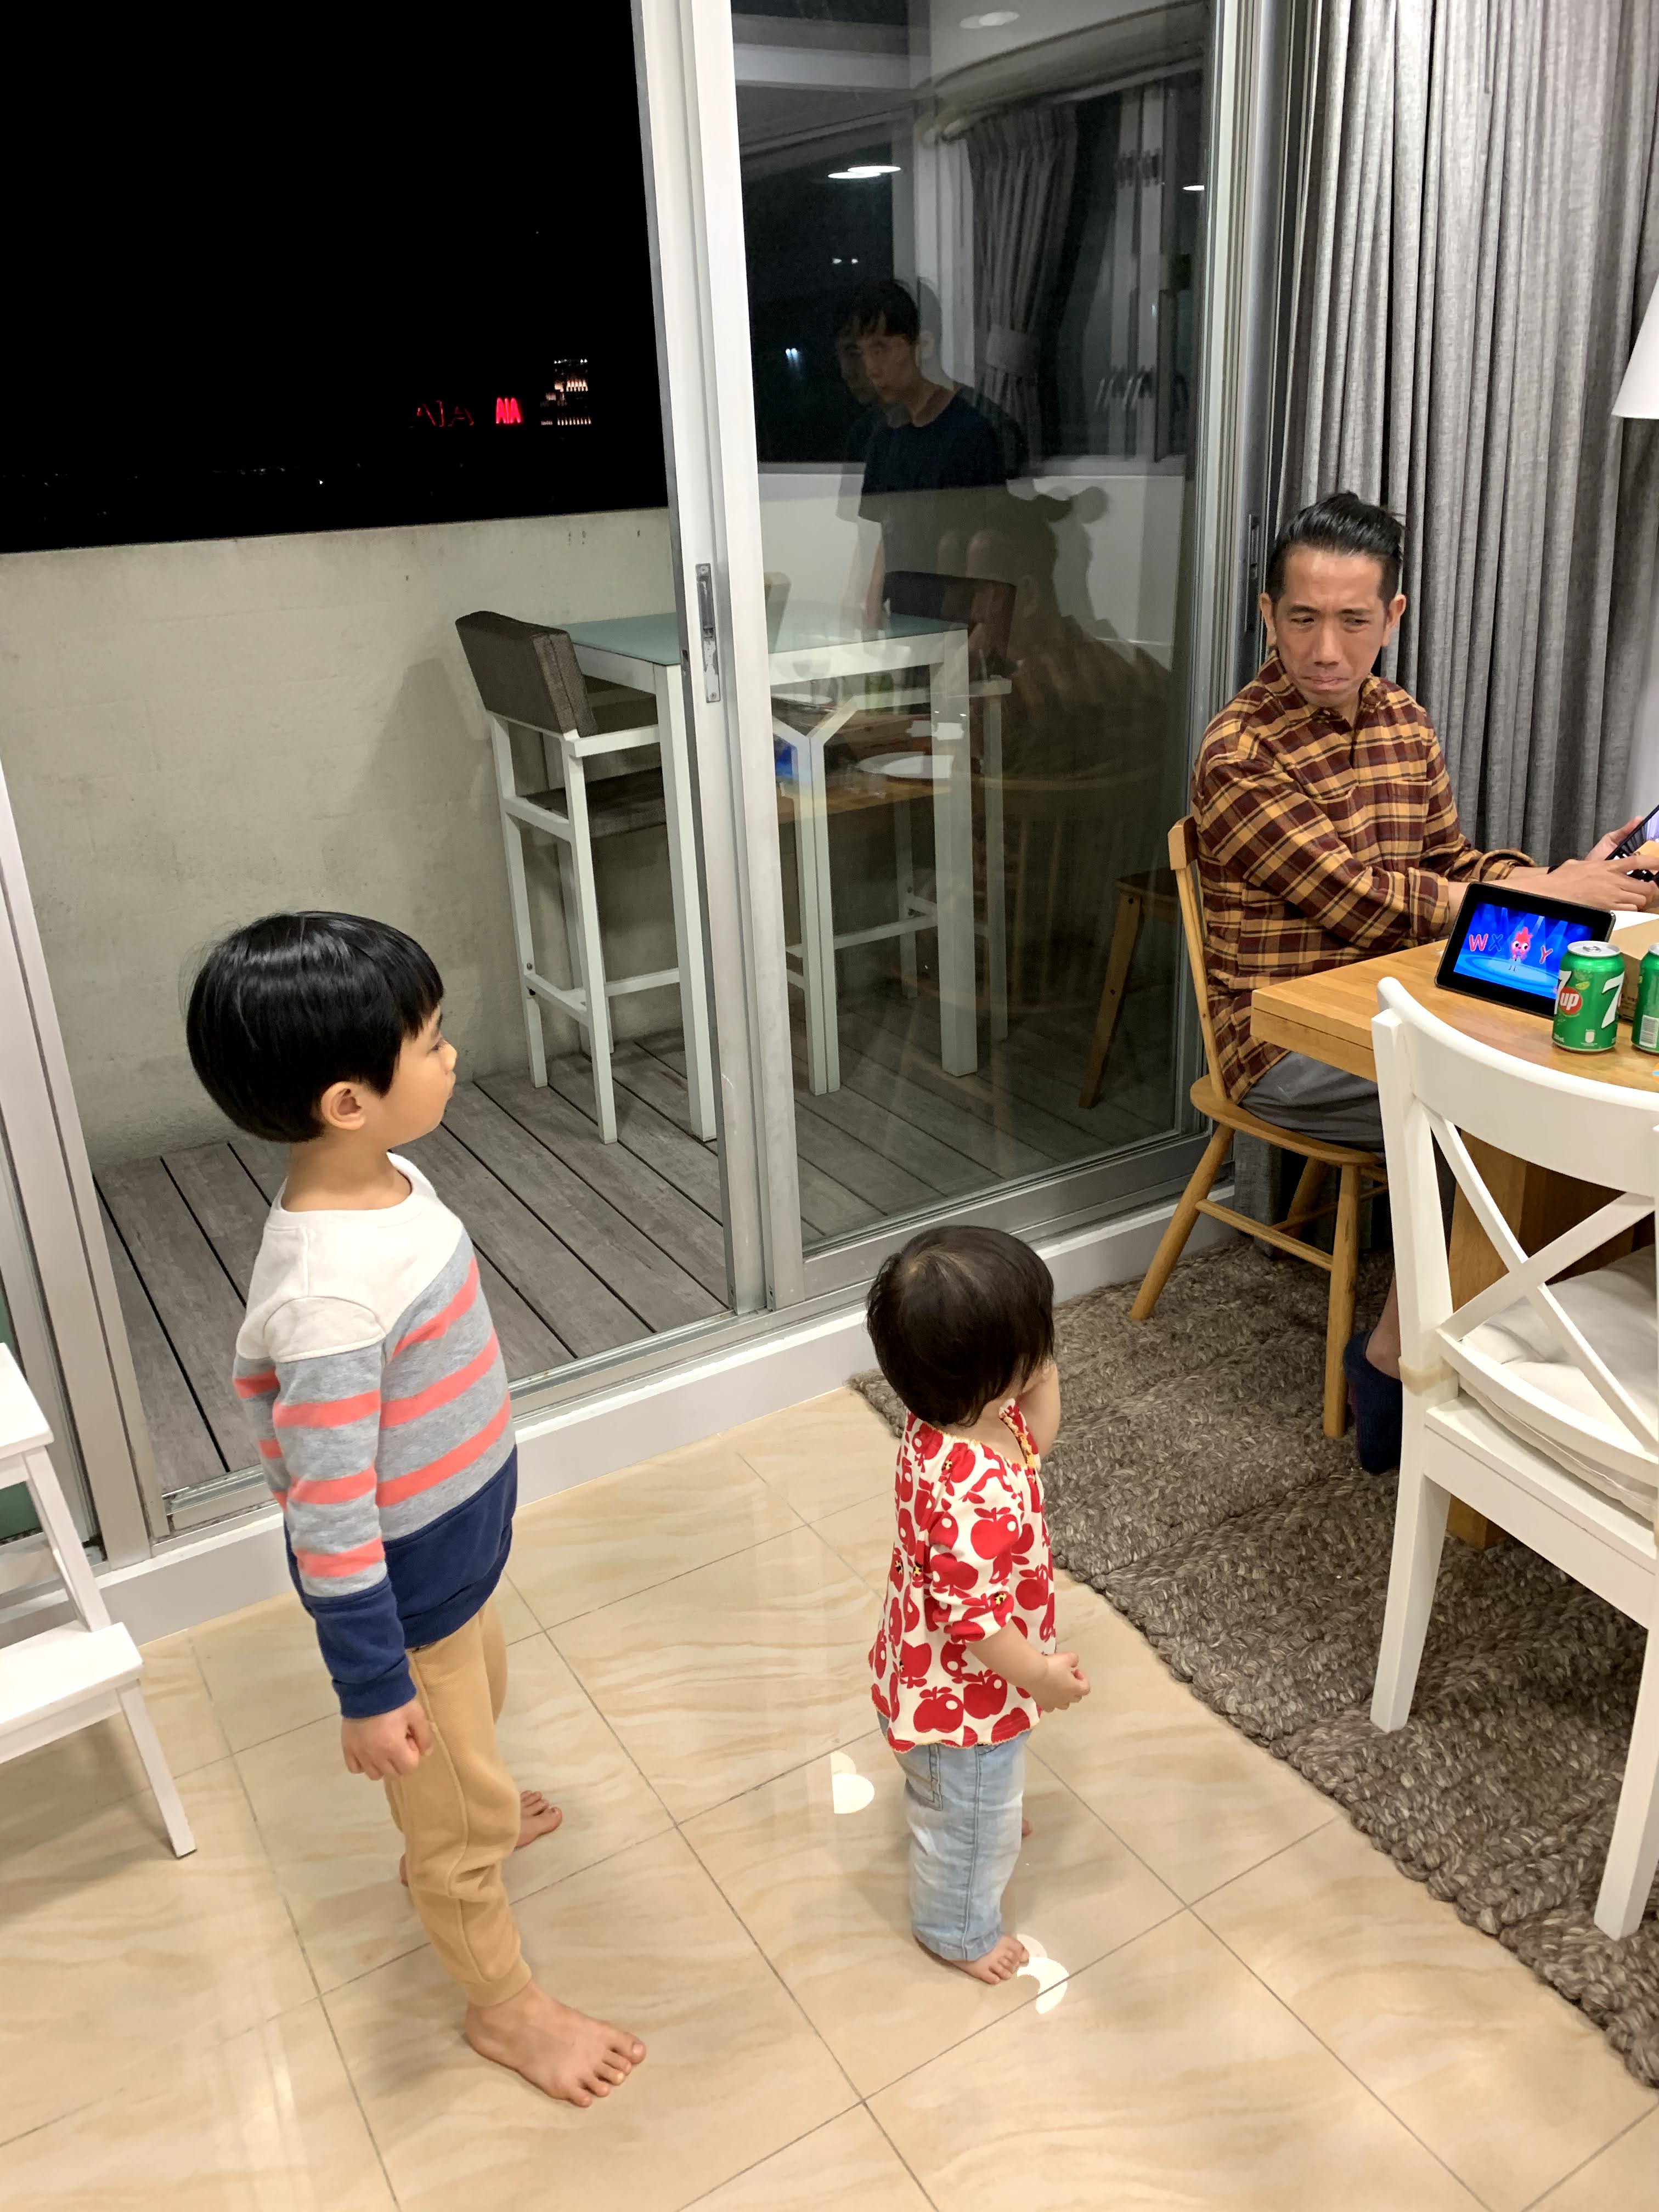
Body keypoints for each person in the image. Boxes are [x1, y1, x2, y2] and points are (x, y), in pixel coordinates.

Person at [185, 911, 646, 2108]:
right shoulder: (327, 1302)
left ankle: (461, 1805)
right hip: (403, 1594)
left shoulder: (391, 1184)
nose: (450, 1055)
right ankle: (502, 2003)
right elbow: (330, 1520)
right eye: (430, 1042)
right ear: (349, 1102)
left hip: (456, 1558)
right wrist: (370, 1687)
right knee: (454, 1820)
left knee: (478, 1710)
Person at [1192, 490, 1659, 1471]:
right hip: (1284, 1041)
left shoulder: (1402, 718)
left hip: (1416, 994)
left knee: (1581, 1053)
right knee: (1495, 1106)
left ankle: (1538, 1353)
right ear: (1267, 613)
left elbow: (1446, 865)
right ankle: (1402, 1356)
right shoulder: (1238, 752)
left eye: (1352, 620)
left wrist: (1560, 879)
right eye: (1301, 618)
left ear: (1392, 616)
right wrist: (1545, 893)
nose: (1325, 649)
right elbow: (1359, 901)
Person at [865, 1225, 1088, 1983]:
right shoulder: (971, 1492)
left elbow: (1035, 1446)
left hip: (924, 1669)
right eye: (1037, 1340)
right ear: (997, 1374)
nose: (1047, 1349)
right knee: (969, 1827)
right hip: (962, 1702)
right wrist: (1041, 1677)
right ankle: (956, 1930)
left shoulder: (950, 1419)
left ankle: (963, 1809)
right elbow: (977, 1623)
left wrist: (1041, 1372)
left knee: (963, 1798)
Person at [846, 279, 1011, 624]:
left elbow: (993, 546)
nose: (872, 368)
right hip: (904, 615)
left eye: (882, 349)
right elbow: (885, 530)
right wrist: (869, 603)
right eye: (864, 353)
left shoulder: (971, 433)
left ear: (921, 346)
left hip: (957, 622)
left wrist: (981, 630)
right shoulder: (885, 433)